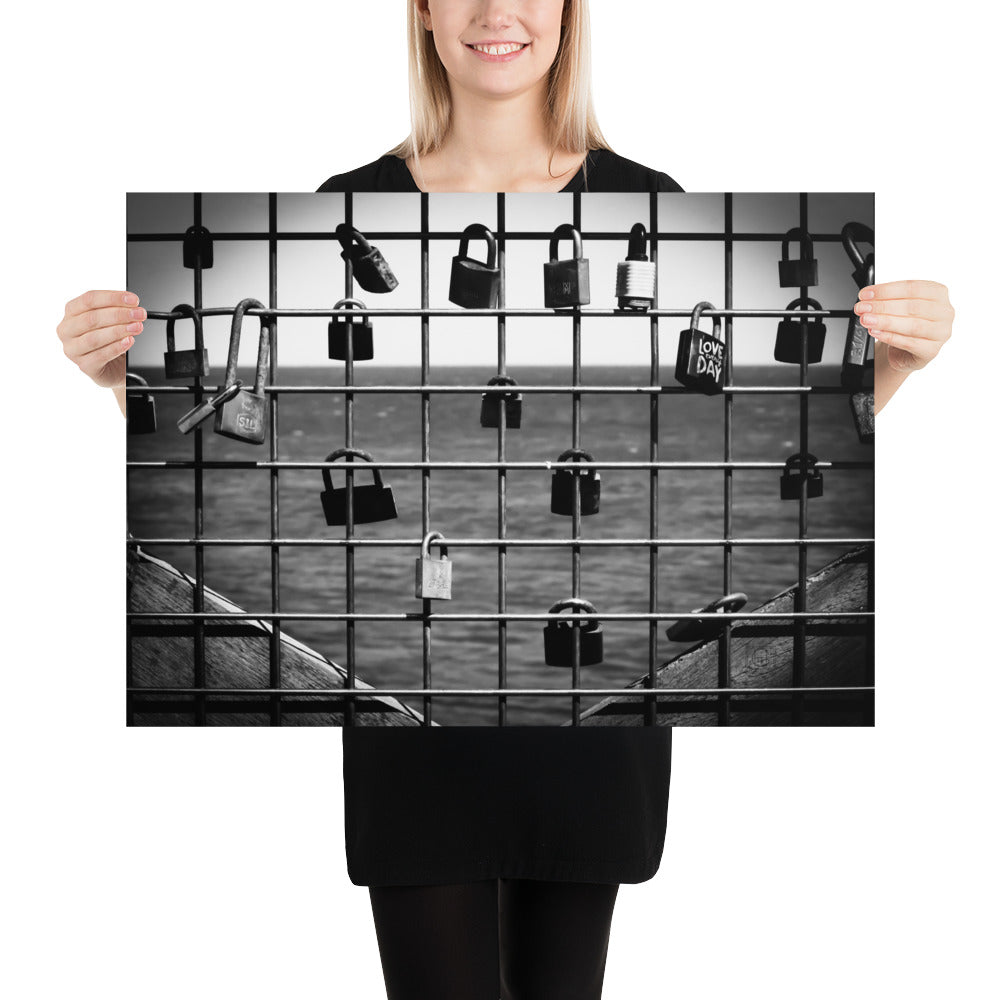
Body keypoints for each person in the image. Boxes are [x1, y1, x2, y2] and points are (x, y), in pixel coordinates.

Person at [55, 2, 954, 998]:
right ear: (425, 13)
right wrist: (117, 384)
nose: (497, 12)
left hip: (589, 743)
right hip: (418, 749)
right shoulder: (342, 204)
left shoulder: (649, 200)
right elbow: (258, 441)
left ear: (569, 14)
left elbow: (751, 438)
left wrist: (896, 368)